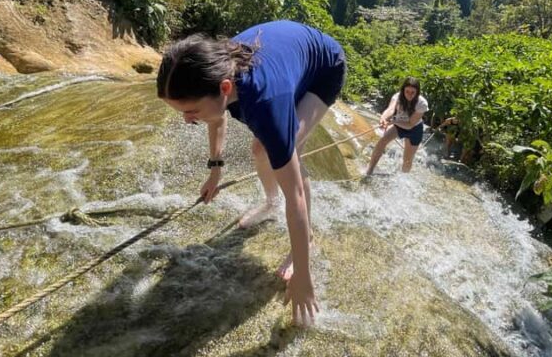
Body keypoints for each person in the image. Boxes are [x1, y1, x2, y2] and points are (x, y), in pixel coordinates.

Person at [157, 20, 346, 327]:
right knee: (263, 149)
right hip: (288, 58)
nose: (186, 120)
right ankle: (270, 203)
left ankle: (307, 241)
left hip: (323, 68)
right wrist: (216, 171)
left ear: (225, 89)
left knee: (278, 151)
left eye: (190, 111)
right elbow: (216, 117)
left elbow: (296, 194)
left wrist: (304, 279)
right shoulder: (215, 72)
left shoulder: (265, 103)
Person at [364, 76, 428, 177]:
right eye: (407, 91)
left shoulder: (422, 103)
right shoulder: (397, 97)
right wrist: (383, 118)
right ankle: (370, 170)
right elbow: (390, 109)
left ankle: (402, 178)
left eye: (413, 92)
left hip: (414, 129)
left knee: (407, 160)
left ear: (417, 92)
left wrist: (394, 121)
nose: (409, 95)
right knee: (382, 142)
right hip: (398, 124)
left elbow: (410, 125)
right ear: (403, 90)